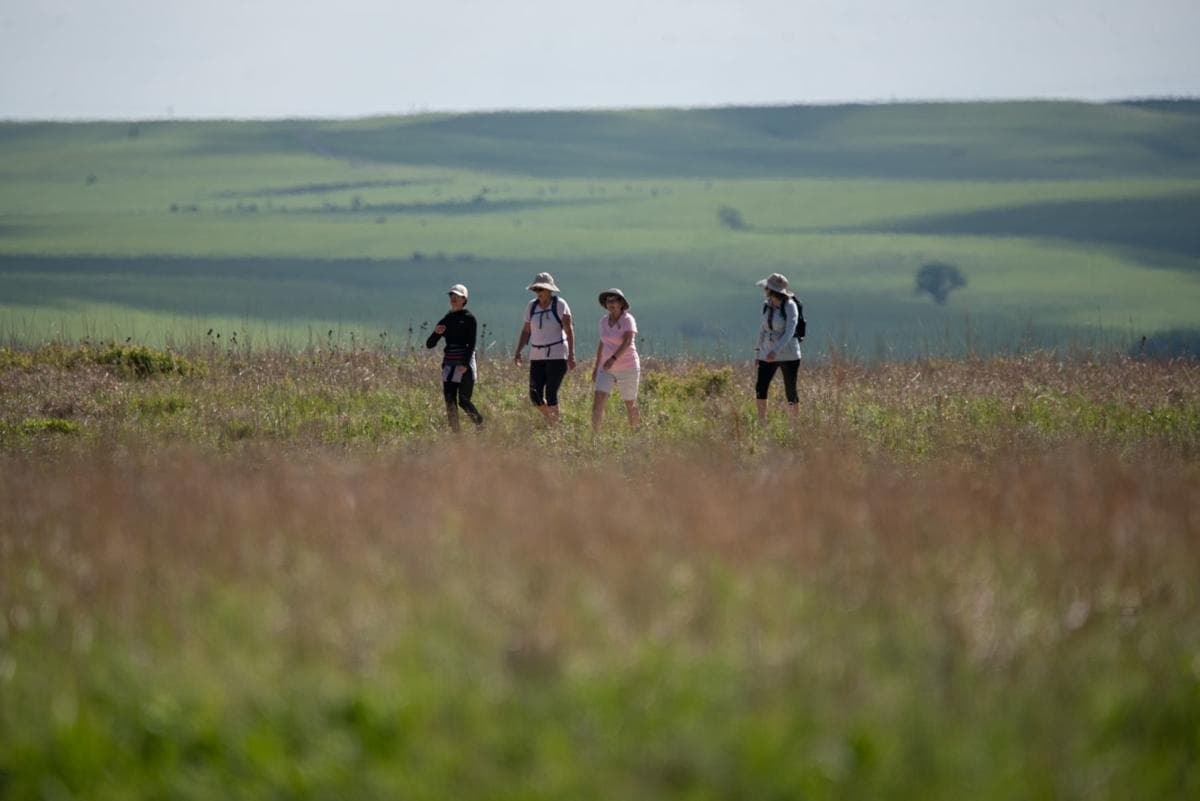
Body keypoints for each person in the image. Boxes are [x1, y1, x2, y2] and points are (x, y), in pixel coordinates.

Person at [513, 272, 576, 425]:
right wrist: (519, 350)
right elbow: (526, 330)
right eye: (536, 289)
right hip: (537, 355)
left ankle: (555, 427)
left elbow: (569, 330)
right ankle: (553, 420)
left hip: (557, 354)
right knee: (534, 395)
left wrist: (571, 355)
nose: (539, 293)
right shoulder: (531, 306)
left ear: (549, 290)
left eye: (541, 289)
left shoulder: (560, 304)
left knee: (551, 392)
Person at [426, 283, 484, 432]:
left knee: (463, 400)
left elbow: (471, 343)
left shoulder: (470, 318)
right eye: (451, 295)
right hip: (449, 364)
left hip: (465, 362)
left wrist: (465, 364)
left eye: (457, 296)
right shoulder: (447, 319)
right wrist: (436, 333)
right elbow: (430, 344)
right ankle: (456, 435)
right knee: (449, 400)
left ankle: (480, 424)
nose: (453, 298)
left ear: (464, 299)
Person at [754, 272, 802, 427]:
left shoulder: (790, 306)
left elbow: (790, 331)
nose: (765, 289)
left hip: (789, 355)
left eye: (766, 287)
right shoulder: (766, 305)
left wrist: (775, 350)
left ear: (771, 290)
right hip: (767, 354)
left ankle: (794, 425)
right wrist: (758, 352)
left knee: (790, 389)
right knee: (761, 386)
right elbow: (762, 329)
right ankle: (762, 424)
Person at [591, 288, 641, 433]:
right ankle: (595, 437)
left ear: (621, 303)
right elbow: (602, 343)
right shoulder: (603, 321)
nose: (610, 303)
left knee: (630, 404)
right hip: (606, 369)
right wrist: (596, 367)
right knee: (598, 399)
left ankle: (636, 434)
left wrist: (613, 359)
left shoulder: (628, 319)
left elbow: (627, 341)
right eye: (608, 301)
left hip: (628, 366)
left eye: (614, 300)